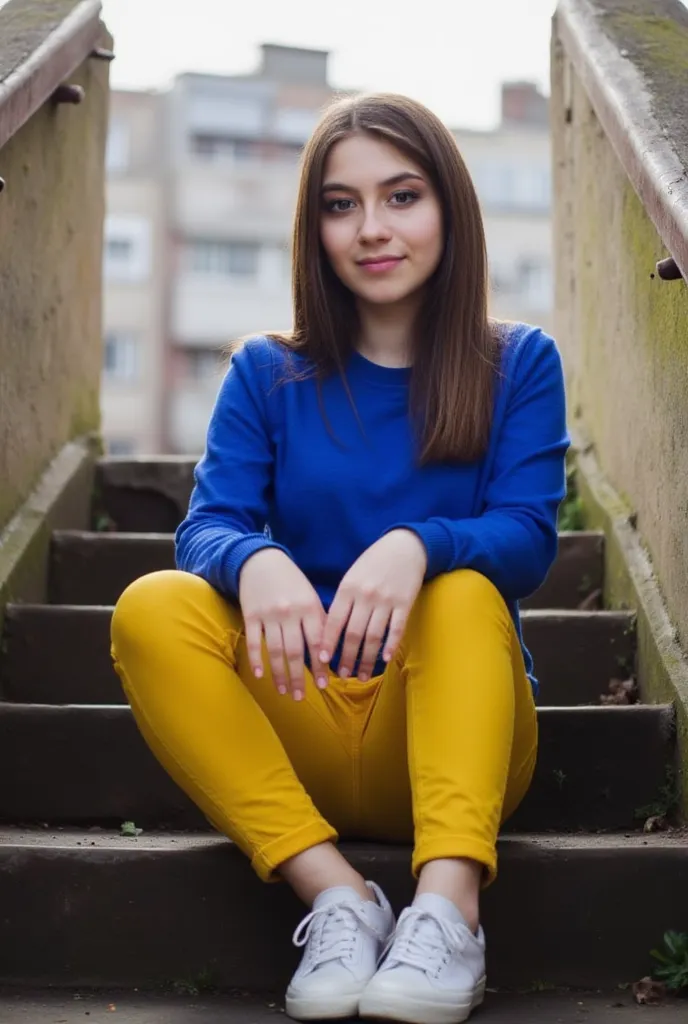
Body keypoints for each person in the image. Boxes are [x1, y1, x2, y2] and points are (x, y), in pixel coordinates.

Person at [110, 91, 569, 1024]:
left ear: (450, 208)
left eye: (402, 197)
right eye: (340, 203)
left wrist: (418, 544)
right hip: (302, 717)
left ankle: (448, 909)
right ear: (313, 226)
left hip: (455, 739)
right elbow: (206, 525)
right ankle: (338, 900)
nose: (372, 228)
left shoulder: (519, 362)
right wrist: (253, 561)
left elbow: (527, 538)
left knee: (464, 588)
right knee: (152, 606)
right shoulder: (265, 373)